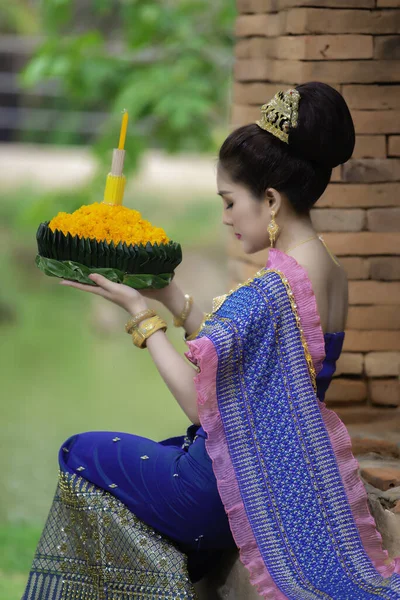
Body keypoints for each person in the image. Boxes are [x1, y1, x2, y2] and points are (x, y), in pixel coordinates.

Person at [23, 82, 400, 600]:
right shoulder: (330, 274)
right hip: (270, 486)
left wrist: (141, 315)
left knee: (79, 453)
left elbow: (204, 407)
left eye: (228, 202)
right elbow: (255, 371)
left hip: (216, 492)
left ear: (269, 199)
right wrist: (171, 296)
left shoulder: (270, 292)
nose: (224, 218)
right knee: (152, 453)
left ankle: (166, 580)